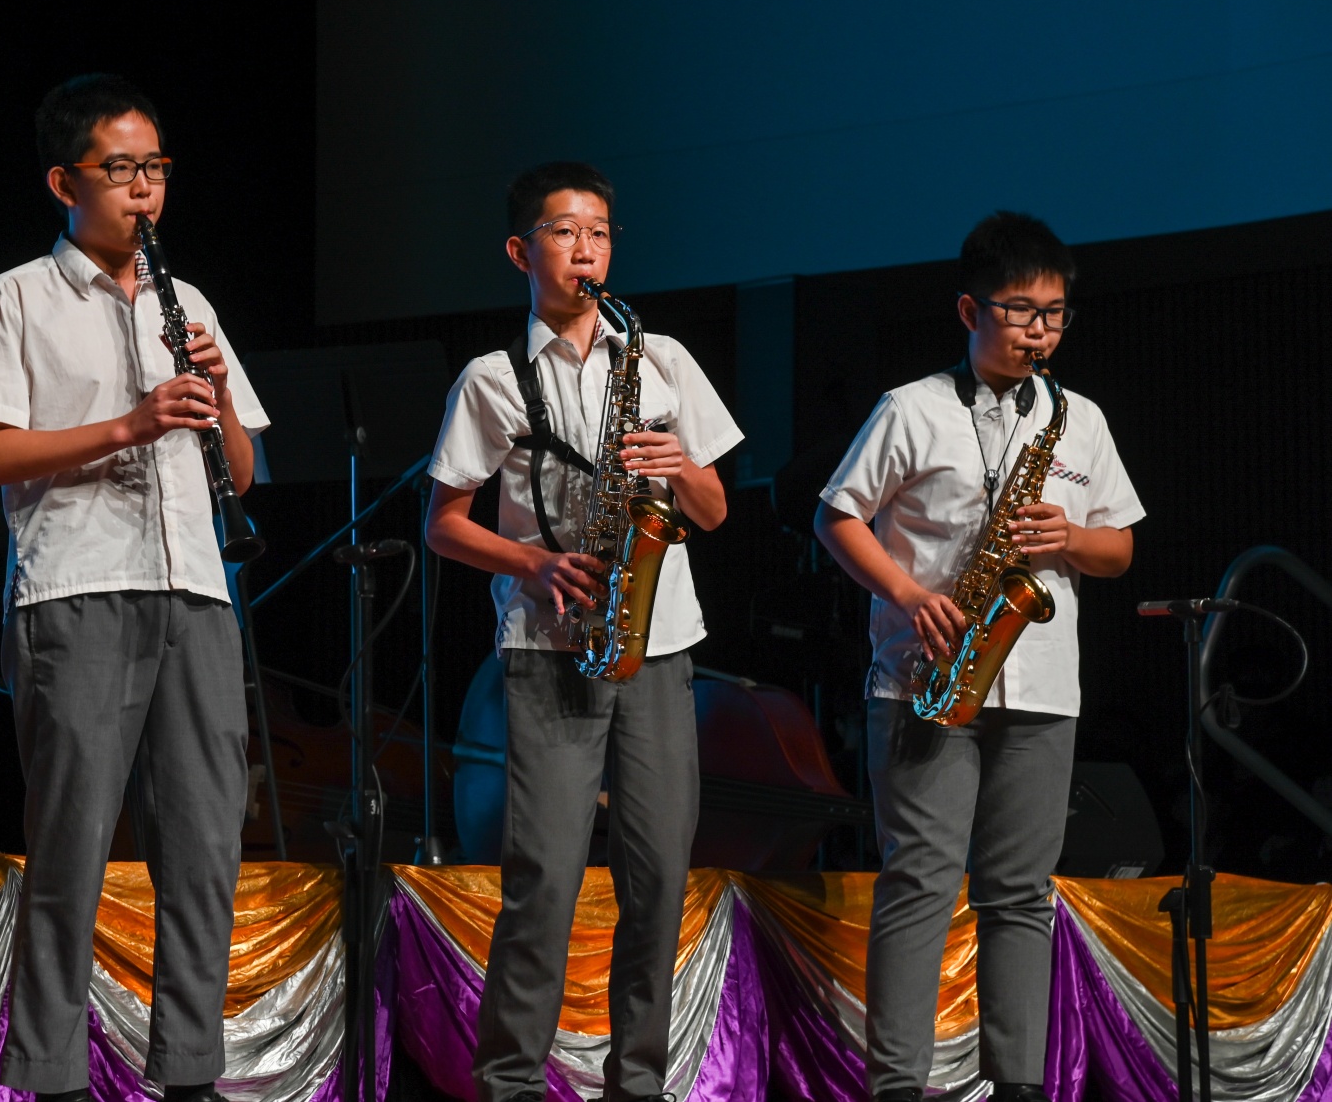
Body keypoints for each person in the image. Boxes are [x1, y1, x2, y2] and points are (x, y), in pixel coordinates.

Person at [0, 73, 269, 1102]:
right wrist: (128, 424)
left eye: (155, 168)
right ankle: (51, 1075)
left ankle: (190, 1072)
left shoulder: (191, 301)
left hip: (195, 588)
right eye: (120, 168)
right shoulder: (15, 298)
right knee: (72, 847)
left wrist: (216, 394)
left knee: (205, 846)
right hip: (78, 586)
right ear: (65, 181)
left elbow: (240, 473)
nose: (143, 189)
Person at [424, 161, 741, 1102]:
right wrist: (531, 564)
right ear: (521, 251)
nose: (586, 249)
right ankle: (509, 1080)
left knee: (658, 875)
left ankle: (636, 1082)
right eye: (565, 232)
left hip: (657, 643)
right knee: (544, 877)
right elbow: (443, 524)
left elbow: (714, 511)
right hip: (548, 647)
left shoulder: (661, 358)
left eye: (599, 232)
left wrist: (678, 466)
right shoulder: (491, 378)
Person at [813, 212, 1144, 1102]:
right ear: (969, 309)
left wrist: (1069, 537)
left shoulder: (1077, 418)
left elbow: (1118, 548)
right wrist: (907, 593)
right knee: (920, 881)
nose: (1040, 331)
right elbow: (836, 515)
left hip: (1040, 686)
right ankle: (897, 1084)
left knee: (1020, 892)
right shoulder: (912, 407)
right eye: (1020, 310)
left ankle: (1018, 1084)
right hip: (925, 677)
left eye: (1054, 314)